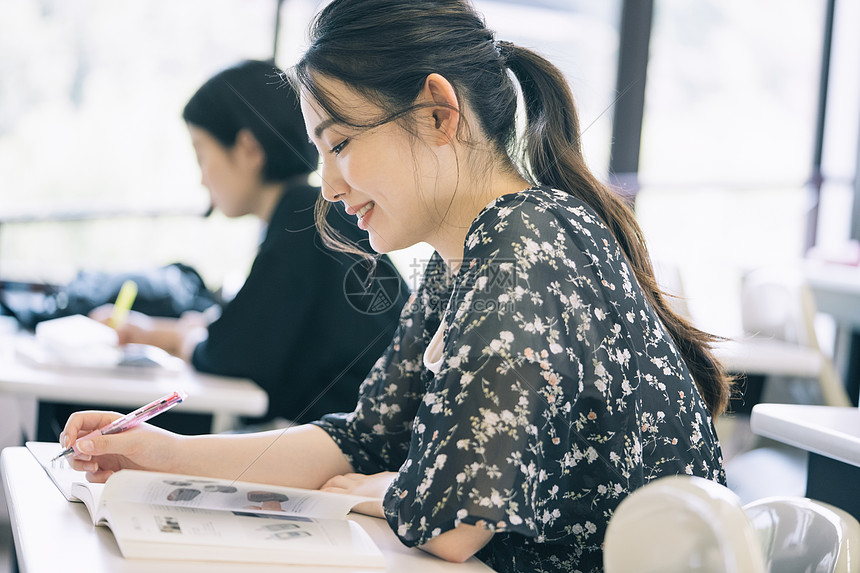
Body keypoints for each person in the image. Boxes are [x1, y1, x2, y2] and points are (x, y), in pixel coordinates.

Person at [61, 2, 732, 571]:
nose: (328, 185)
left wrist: (388, 492)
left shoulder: (522, 245)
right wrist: (166, 454)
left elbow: (454, 522)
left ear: (439, 113)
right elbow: (364, 437)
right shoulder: (464, 255)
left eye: (342, 142)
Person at [90, 59, 408, 424]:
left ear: (248, 150)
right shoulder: (305, 214)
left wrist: (179, 339)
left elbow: (232, 356)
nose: (202, 179)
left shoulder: (304, 218)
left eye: (201, 154)